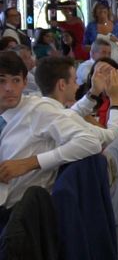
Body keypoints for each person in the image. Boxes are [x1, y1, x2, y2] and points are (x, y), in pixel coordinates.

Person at [0, 51, 102, 209]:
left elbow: (90, 142)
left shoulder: (38, 110)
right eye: (1, 81)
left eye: (16, 80)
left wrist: (31, 163)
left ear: (25, 82)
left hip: (21, 213)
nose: (9, 88)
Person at [35, 56, 118, 147]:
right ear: (62, 85)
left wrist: (94, 91)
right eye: (74, 81)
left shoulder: (39, 108)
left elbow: (73, 112)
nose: (77, 86)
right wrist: (115, 99)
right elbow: (113, 138)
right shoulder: (65, 118)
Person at [83, 1, 118, 67]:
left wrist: (117, 40)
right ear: (95, 12)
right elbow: (84, 46)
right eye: (99, 8)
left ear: (108, 10)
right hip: (97, 63)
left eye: (104, 8)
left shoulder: (117, 25)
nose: (102, 10)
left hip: (114, 62)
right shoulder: (91, 26)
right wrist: (96, 48)